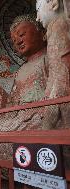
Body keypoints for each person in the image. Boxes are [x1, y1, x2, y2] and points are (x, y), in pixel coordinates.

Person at [0, 14, 48, 109]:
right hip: (22, 114)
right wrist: (0, 93)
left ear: (42, 33)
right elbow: (14, 103)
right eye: (14, 40)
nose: (18, 42)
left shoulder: (50, 58)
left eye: (21, 35)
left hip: (43, 110)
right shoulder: (20, 72)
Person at [36, 0, 70, 128]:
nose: (37, 17)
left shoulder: (60, 25)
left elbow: (63, 66)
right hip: (57, 89)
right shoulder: (53, 29)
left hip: (63, 88)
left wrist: (53, 95)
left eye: (39, 9)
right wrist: (47, 95)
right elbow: (54, 71)